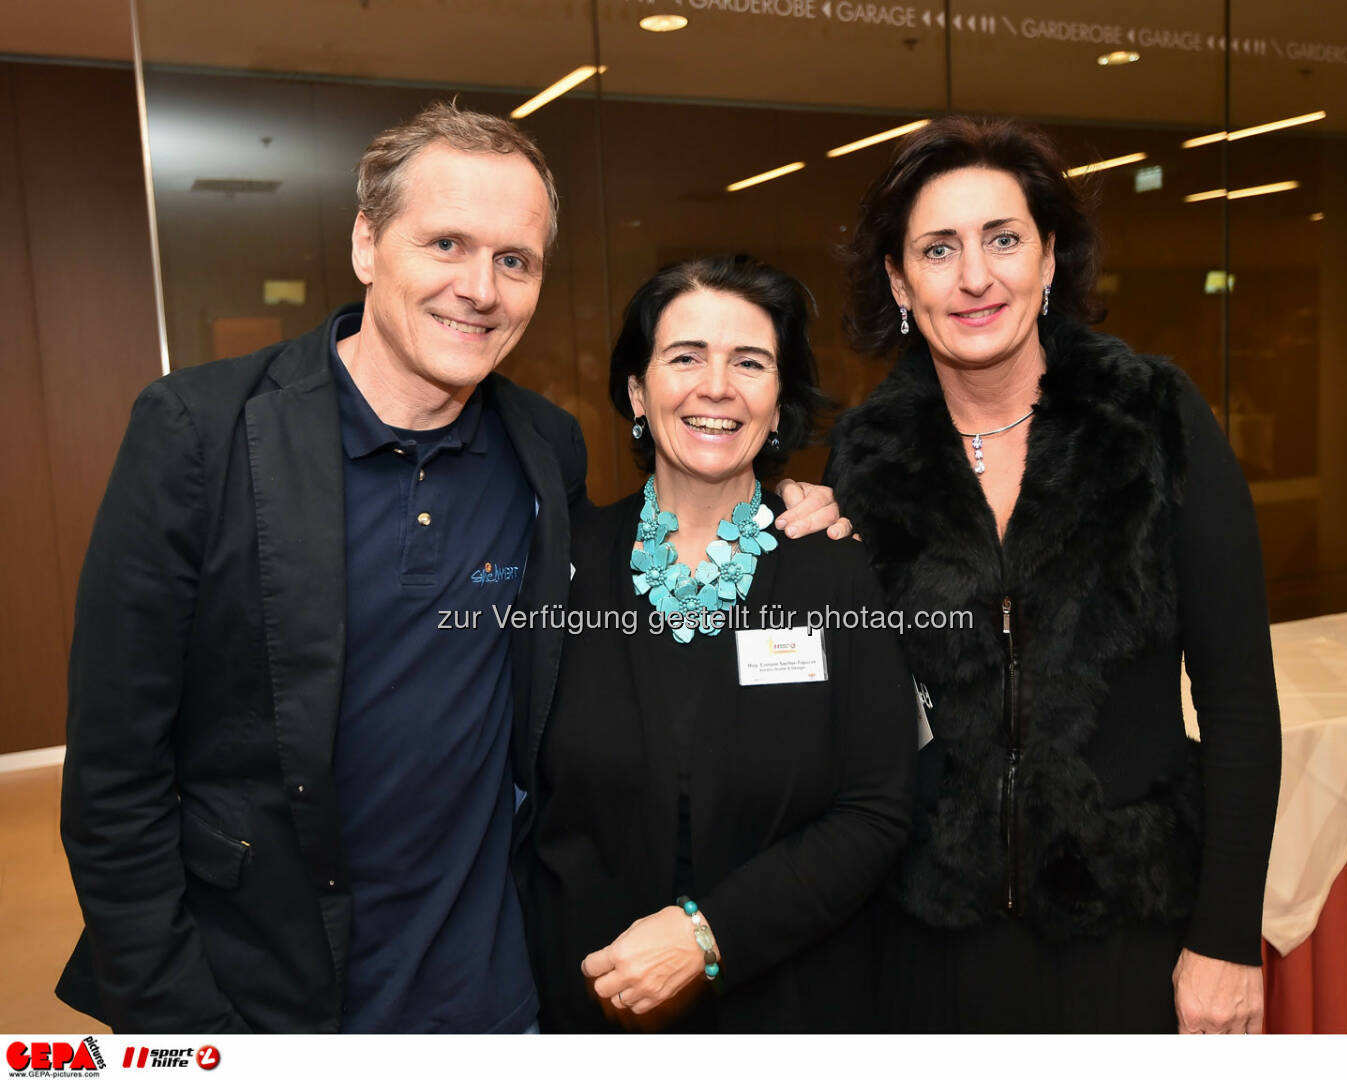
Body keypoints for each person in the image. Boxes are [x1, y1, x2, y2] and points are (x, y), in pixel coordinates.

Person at [55, 103, 843, 1034]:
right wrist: (178, 1024)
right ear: (366, 243)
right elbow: (114, 780)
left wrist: (787, 503)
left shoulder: (542, 450)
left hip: (493, 989)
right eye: (446, 244)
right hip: (265, 990)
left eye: (515, 261)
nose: (480, 287)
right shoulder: (202, 434)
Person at [826, 116, 1282, 1034]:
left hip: (1130, 927)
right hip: (927, 936)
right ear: (899, 281)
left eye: (1003, 239)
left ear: (1049, 258)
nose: (975, 276)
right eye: (938, 248)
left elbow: (1239, 697)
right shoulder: (867, 457)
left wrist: (1228, 939)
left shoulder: (1153, 416)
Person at [517, 254, 916, 1032]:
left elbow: (877, 811)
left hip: (794, 1010)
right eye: (686, 356)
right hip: (586, 1014)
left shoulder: (836, 570)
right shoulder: (558, 571)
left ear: (778, 401)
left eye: (750, 362)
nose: (717, 386)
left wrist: (707, 937)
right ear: (637, 391)